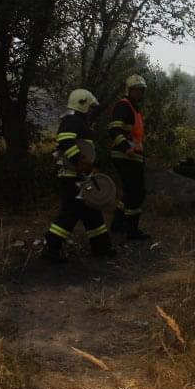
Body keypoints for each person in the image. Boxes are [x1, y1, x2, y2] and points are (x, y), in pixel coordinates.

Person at [42, 89, 116, 262]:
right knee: (70, 213)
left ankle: (101, 247)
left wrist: (90, 166)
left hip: (81, 177)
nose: (91, 111)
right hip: (72, 177)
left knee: (92, 212)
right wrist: (79, 161)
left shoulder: (78, 122)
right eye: (90, 107)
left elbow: (83, 149)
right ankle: (51, 248)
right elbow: (65, 141)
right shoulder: (72, 120)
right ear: (83, 105)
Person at [108, 74, 150, 240]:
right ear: (129, 90)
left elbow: (134, 135)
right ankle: (132, 231)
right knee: (135, 193)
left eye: (141, 90)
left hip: (132, 157)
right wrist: (126, 148)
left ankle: (118, 224)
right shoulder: (123, 106)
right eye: (136, 90)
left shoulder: (133, 108)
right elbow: (114, 130)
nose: (139, 92)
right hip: (125, 156)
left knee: (130, 192)